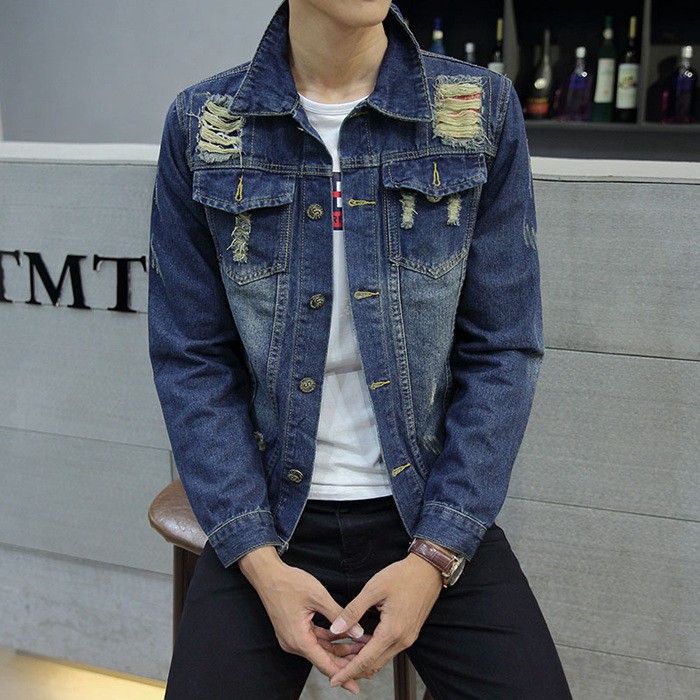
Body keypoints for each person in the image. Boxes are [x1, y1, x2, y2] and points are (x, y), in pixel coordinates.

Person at [148, 0, 572, 697]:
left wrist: (435, 556)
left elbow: (502, 348)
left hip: (426, 506)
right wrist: (259, 562)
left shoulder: (475, 111)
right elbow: (192, 359)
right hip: (271, 515)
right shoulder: (205, 124)